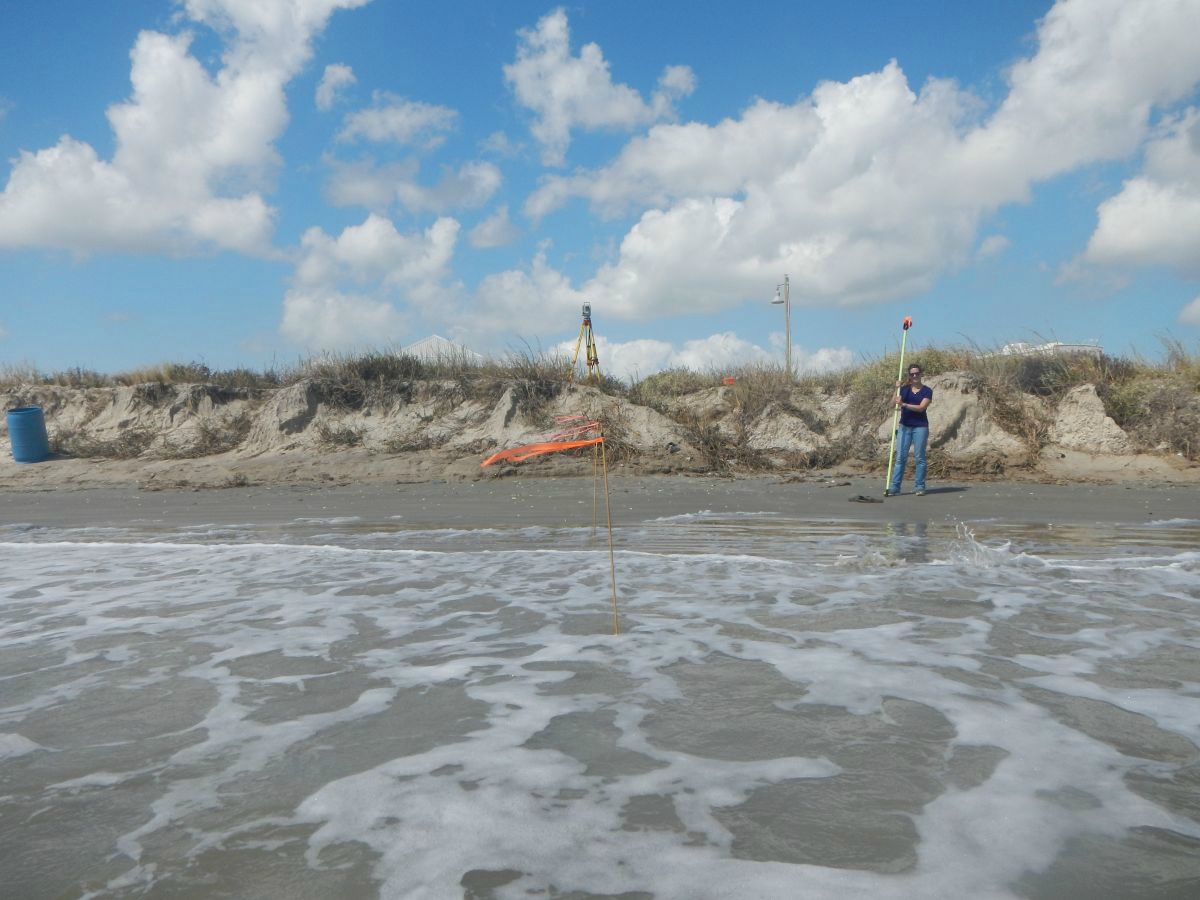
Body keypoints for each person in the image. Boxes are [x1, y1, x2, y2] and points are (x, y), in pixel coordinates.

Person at [887, 363, 933, 496]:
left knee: (919, 458)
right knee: (900, 457)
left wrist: (904, 404)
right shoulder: (904, 389)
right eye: (912, 374)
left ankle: (919, 486)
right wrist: (896, 390)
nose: (915, 376)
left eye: (917, 373)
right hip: (904, 426)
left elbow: (921, 408)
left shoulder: (927, 391)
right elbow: (892, 404)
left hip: (920, 427)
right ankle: (895, 487)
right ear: (909, 375)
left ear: (921, 374)